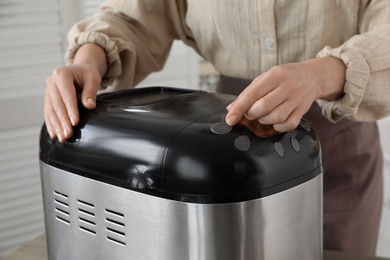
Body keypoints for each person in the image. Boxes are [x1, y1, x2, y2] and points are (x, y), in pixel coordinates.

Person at [44, 0, 390, 255]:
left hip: (336, 135)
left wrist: (322, 73)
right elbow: (137, 14)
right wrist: (88, 61)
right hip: (225, 129)